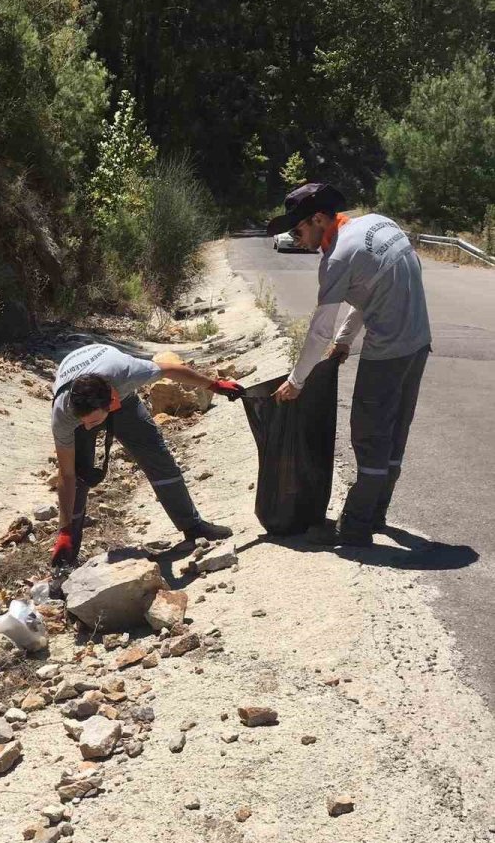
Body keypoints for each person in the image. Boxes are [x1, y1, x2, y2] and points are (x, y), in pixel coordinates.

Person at [267, 183, 431, 546]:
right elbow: (369, 293)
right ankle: (376, 513)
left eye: (298, 231)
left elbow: (319, 330)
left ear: (319, 219)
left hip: (387, 353)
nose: (297, 240)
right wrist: (344, 341)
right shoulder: (378, 223)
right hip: (419, 345)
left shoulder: (338, 256)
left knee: (370, 437)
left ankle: (354, 529)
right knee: (394, 433)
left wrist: (296, 381)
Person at [50, 342, 242, 566]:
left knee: (157, 455)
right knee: (78, 478)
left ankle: (193, 527)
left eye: (92, 422)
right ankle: (66, 556)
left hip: (120, 393)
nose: (88, 427)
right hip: (85, 398)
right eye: (84, 422)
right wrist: (64, 529)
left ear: (112, 403)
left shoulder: (128, 373)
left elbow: (170, 369)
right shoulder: (64, 414)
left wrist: (215, 385)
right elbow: (66, 475)